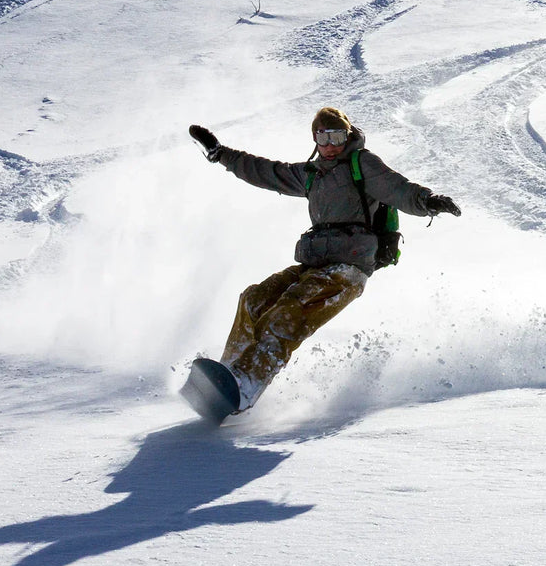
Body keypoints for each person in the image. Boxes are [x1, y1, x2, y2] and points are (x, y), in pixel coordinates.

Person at [188, 106, 460, 412]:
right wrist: (220, 153)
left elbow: (396, 187)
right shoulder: (311, 175)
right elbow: (265, 172)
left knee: (288, 310)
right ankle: (229, 373)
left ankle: (247, 383)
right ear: (314, 139)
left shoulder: (362, 164)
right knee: (254, 299)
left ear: (348, 135)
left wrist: (428, 201)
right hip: (314, 265)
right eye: (323, 137)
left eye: (337, 136)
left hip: (348, 269)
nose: (330, 144)